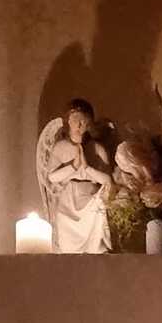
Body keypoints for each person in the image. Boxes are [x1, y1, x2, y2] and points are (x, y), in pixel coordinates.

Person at [35, 98, 113, 253]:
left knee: (96, 236)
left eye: (84, 121)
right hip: (68, 201)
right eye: (75, 120)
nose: (79, 125)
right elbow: (51, 177)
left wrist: (87, 168)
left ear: (89, 124)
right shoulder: (60, 147)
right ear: (68, 121)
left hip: (90, 199)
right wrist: (73, 166)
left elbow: (107, 180)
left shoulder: (97, 149)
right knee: (68, 243)